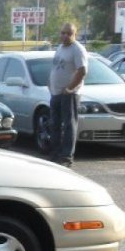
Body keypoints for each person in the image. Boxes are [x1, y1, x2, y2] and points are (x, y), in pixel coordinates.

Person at [48, 23, 88, 167]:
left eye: (69, 33)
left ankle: (66, 157)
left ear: (74, 34)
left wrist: (70, 89)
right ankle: (55, 154)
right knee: (55, 124)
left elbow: (82, 71)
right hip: (56, 92)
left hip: (69, 94)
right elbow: (55, 67)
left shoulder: (77, 49)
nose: (65, 36)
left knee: (69, 125)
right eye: (63, 33)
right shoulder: (60, 48)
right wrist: (50, 83)